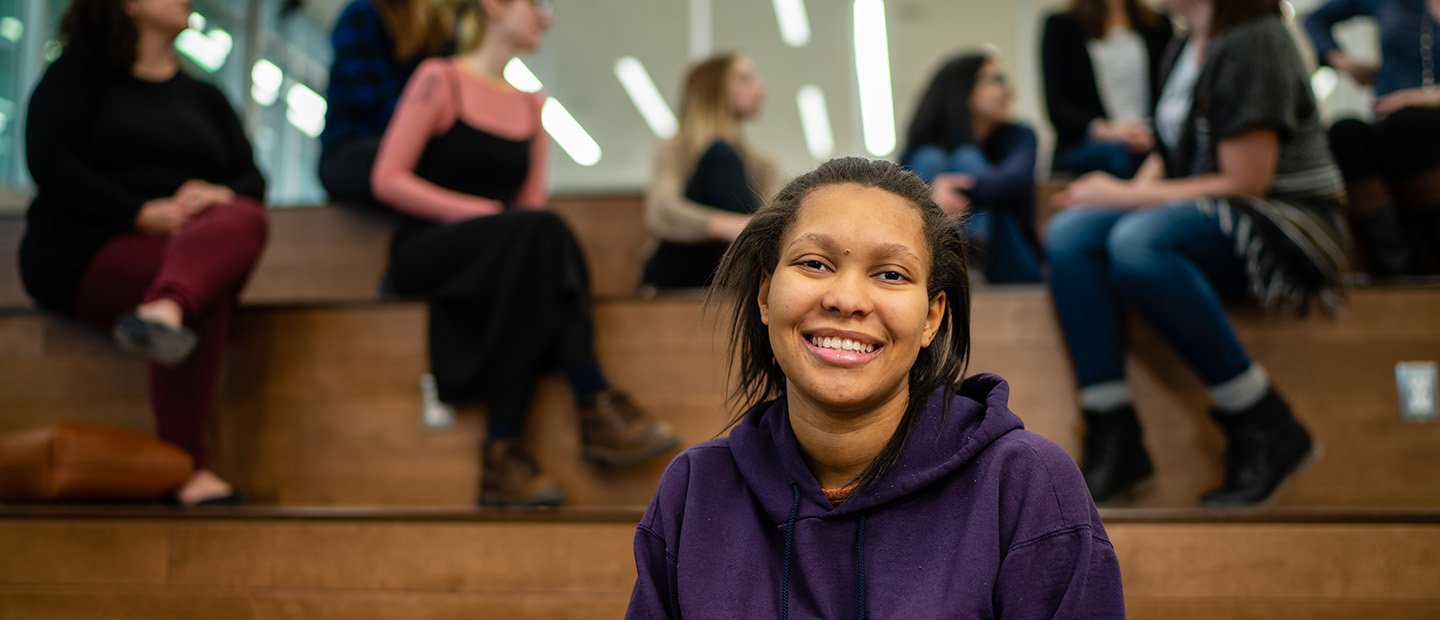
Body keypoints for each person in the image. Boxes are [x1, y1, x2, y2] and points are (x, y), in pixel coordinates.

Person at [627, 158, 1123, 618]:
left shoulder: (1026, 484)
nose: (846, 299)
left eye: (891, 274)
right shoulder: (695, 488)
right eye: (814, 264)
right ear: (764, 294)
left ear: (932, 317)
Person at [370, 0, 678, 507]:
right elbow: (387, 179)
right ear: (493, 5)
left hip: (502, 259)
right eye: (536, 5)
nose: (547, 17)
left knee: (539, 252)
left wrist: (503, 221)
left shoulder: (533, 104)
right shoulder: (439, 78)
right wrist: (483, 213)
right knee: (539, 239)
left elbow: (531, 206)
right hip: (428, 251)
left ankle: (504, 454)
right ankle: (591, 401)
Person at [1046, 0, 1347, 506]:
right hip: (1209, 206)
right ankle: (1114, 432)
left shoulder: (1255, 38)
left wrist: (1121, 199)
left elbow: (1247, 181)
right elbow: (1169, 150)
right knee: (1072, 235)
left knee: (1138, 242)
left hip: (1285, 219)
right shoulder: (1185, 42)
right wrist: (1113, 200)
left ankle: (1265, 421)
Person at [18, 0, 269, 505]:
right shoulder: (76, 76)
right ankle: (187, 466)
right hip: (88, 245)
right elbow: (49, 163)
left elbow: (252, 181)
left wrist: (214, 194)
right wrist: (138, 212)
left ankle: (165, 307)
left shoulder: (206, 97)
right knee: (204, 289)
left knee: (244, 217)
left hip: (191, 247)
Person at [1303, 0, 1440, 275]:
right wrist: (1343, 61)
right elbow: (1314, 20)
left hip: (1419, 122)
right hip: (1392, 126)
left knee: (1408, 124)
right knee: (1345, 133)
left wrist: (1420, 99)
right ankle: (1399, 266)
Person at [640, 53, 781, 290]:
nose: (761, 89)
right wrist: (734, 227)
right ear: (715, 89)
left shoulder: (764, 164)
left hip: (729, 268)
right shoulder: (675, 150)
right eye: (744, 79)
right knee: (720, 153)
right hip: (683, 268)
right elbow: (661, 213)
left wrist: (748, 230)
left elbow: (773, 228)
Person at [900, 53, 1044, 284]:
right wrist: (931, 195)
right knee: (929, 158)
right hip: (933, 256)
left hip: (1007, 256)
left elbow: (1014, 178)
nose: (1009, 90)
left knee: (967, 158)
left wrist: (946, 189)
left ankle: (970, 262)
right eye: (996, 79)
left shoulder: (1020, 135)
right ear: (964, 88)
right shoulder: (925, 147)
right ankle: (940, 265)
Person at [319, 0, 453, 210]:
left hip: (411, 146)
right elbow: (367, 99)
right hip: (353, 150)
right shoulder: (362, 14)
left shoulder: (439, 29)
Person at [1042, 0, 1175, 178]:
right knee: (1119, 155)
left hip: (1148, 135)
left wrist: (1151, 132)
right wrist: (1109, 130)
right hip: (1089, 142)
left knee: (1168, 154)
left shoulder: (1158, 24)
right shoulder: (1062, 26)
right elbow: (1058, 106)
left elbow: (1171, 93)